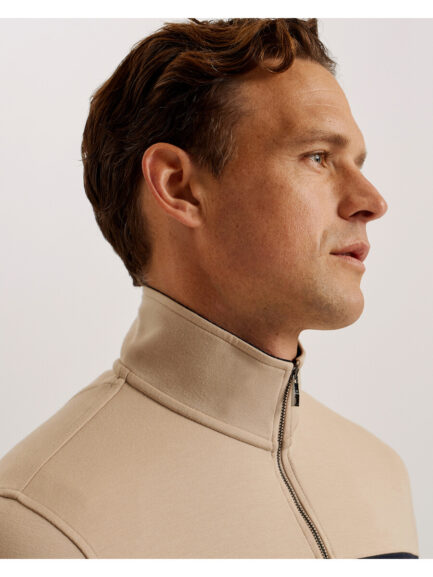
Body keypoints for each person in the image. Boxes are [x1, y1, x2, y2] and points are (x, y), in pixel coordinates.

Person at [0, 18, 419, 559]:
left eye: (357, 164)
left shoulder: (380, 476)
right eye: (318, 157)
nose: (372, 201)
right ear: (179, 186)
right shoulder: (40, 525)